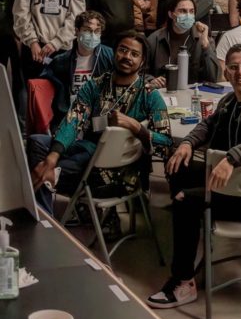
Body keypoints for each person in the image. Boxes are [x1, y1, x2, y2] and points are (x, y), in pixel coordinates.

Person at [150, 44, 241, 309]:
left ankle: (183, 281)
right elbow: (208, 124)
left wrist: (231, 158)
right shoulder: (229, 101)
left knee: (184, 201)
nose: (240, 72)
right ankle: (193, 241)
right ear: (226, 73)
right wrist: (188, 143)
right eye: (234, 67)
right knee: (176, 165)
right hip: (234, 184)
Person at [33, 31, 168, 211]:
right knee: (37, 143)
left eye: (134, 54)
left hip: (120, 175)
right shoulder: (95, 85)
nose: (127, 57)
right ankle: (45, 207)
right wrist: (53, 156)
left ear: (142, 61)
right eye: (123, 50)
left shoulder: (149, 95)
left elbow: (166, 143)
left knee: (47, 168)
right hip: (86, 155)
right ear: (114, 53)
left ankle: (48, 198)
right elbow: (73, 120)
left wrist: (136, 127)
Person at [146, 0, 218, 86]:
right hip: (162, 91)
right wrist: (151, 80)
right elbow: (140, 72)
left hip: (192, 92)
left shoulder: (204, 40)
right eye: (183, 11)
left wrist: (205, 45)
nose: (188, 15)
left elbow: (214, 78)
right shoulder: (154, 39)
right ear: (171, 14)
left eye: (191, 11)